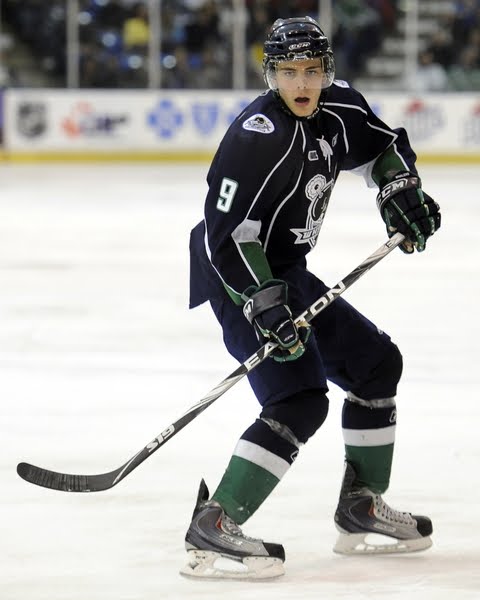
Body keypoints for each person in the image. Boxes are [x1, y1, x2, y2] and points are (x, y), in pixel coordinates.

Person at [182, 16, 441, 580]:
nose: (302, 83)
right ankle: (215, 523)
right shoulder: (256, 137)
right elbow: (228, 237)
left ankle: (361, 506)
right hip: (238, 276)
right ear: (271, 74)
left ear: (327, 71)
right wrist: (264, 302)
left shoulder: (340, 107)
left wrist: (400, 191)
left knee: (376, 366)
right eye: (289, 71)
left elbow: (384, 148)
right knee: (299, 398)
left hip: (287, 272)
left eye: (312, 71)